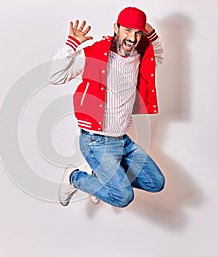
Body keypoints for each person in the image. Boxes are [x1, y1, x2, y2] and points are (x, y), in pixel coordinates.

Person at [48, 7, 165, 208]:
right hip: (96, 140)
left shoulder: (139, 56)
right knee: (122, 197)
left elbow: (158, 56)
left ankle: (99, 178)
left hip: (122, 141)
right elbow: (55, 76)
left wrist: (152, 34)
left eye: (137, 32)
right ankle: (74, 177)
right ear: (116, 28)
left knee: (155, 182)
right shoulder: (95, 54)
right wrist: (71, 45)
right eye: (127, 30)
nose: (132, 37)